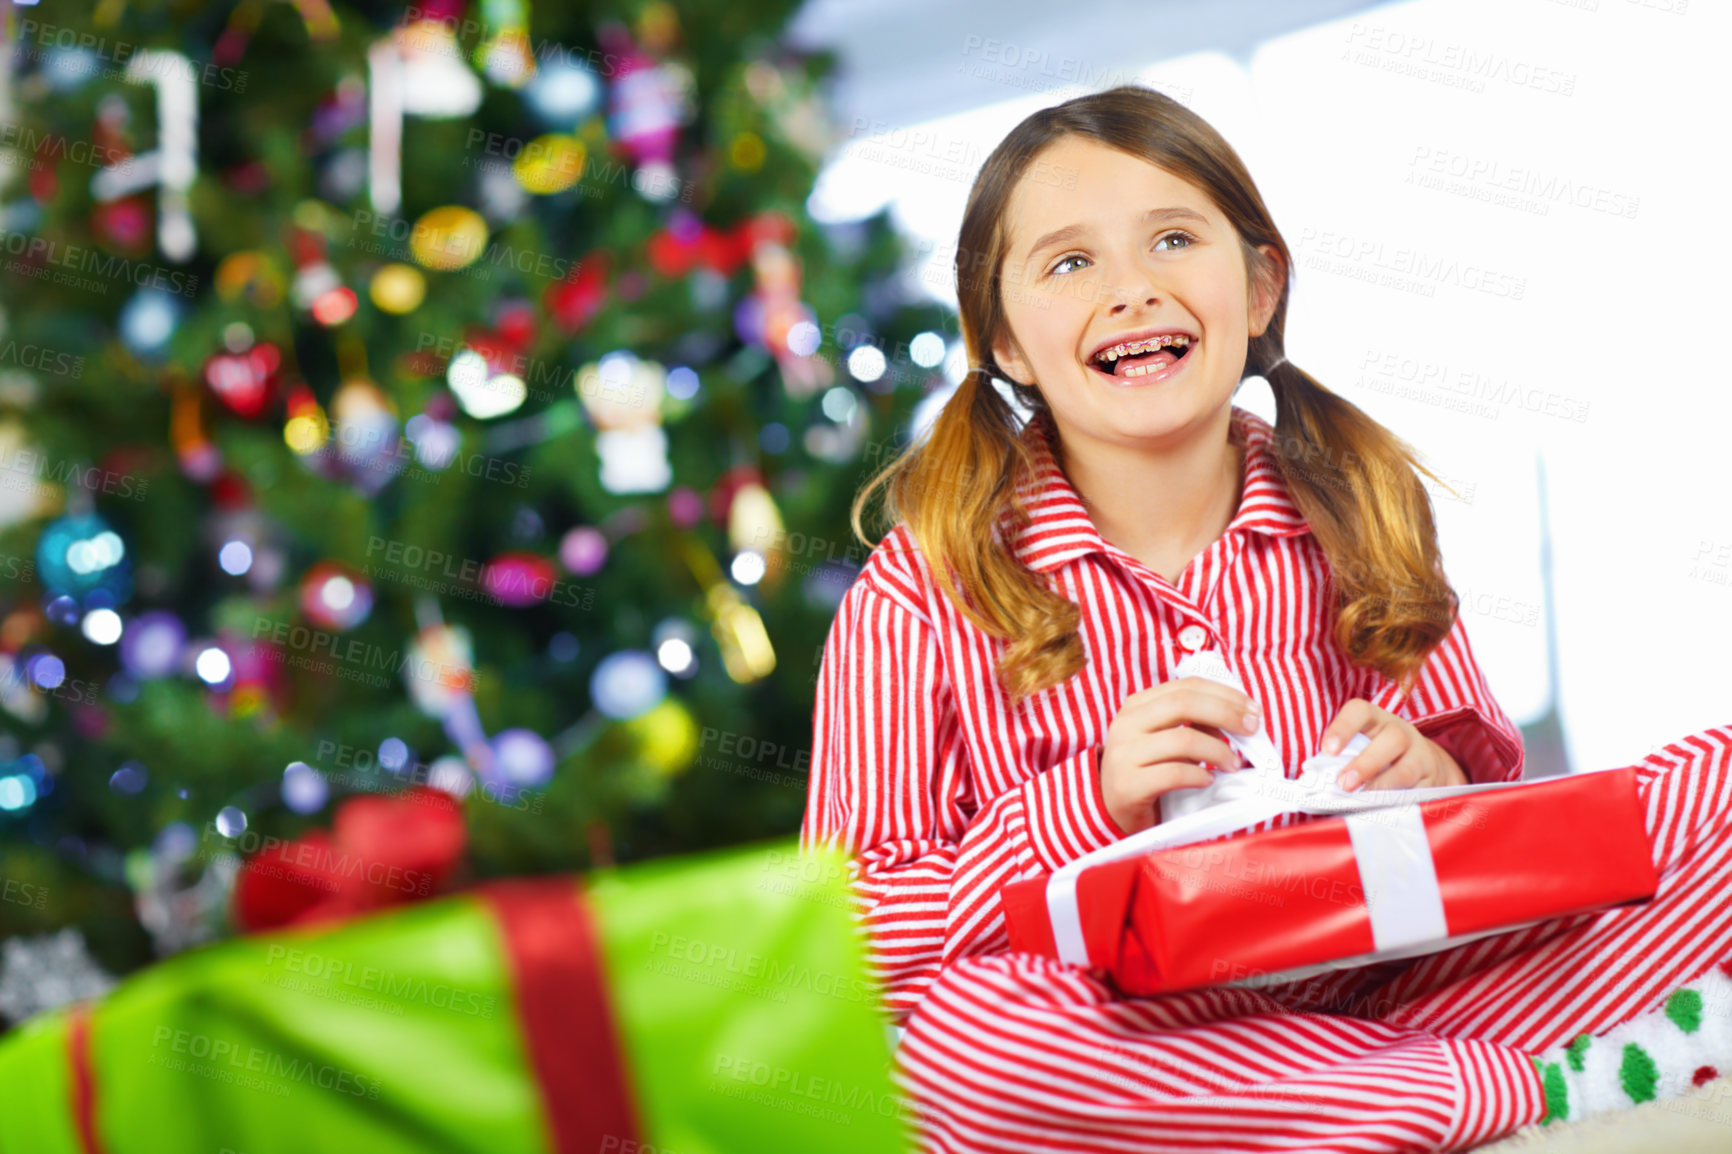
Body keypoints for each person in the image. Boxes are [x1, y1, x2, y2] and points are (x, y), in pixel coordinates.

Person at [800, 84, 1732, 1152]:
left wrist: (1429, 774)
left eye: (1172, 240)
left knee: (1713, 786)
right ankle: (1510, 1092)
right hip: (1147, 1035)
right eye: (1069, 262)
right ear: (1003, 338)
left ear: (1258, 286)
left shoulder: (1356, 502)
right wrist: (1085, 799)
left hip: (1407, 985)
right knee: (960, 1053)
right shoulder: (922, 590)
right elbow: (852, 939)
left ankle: (1409, 1081)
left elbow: (1488, 813)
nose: (1131, 290)